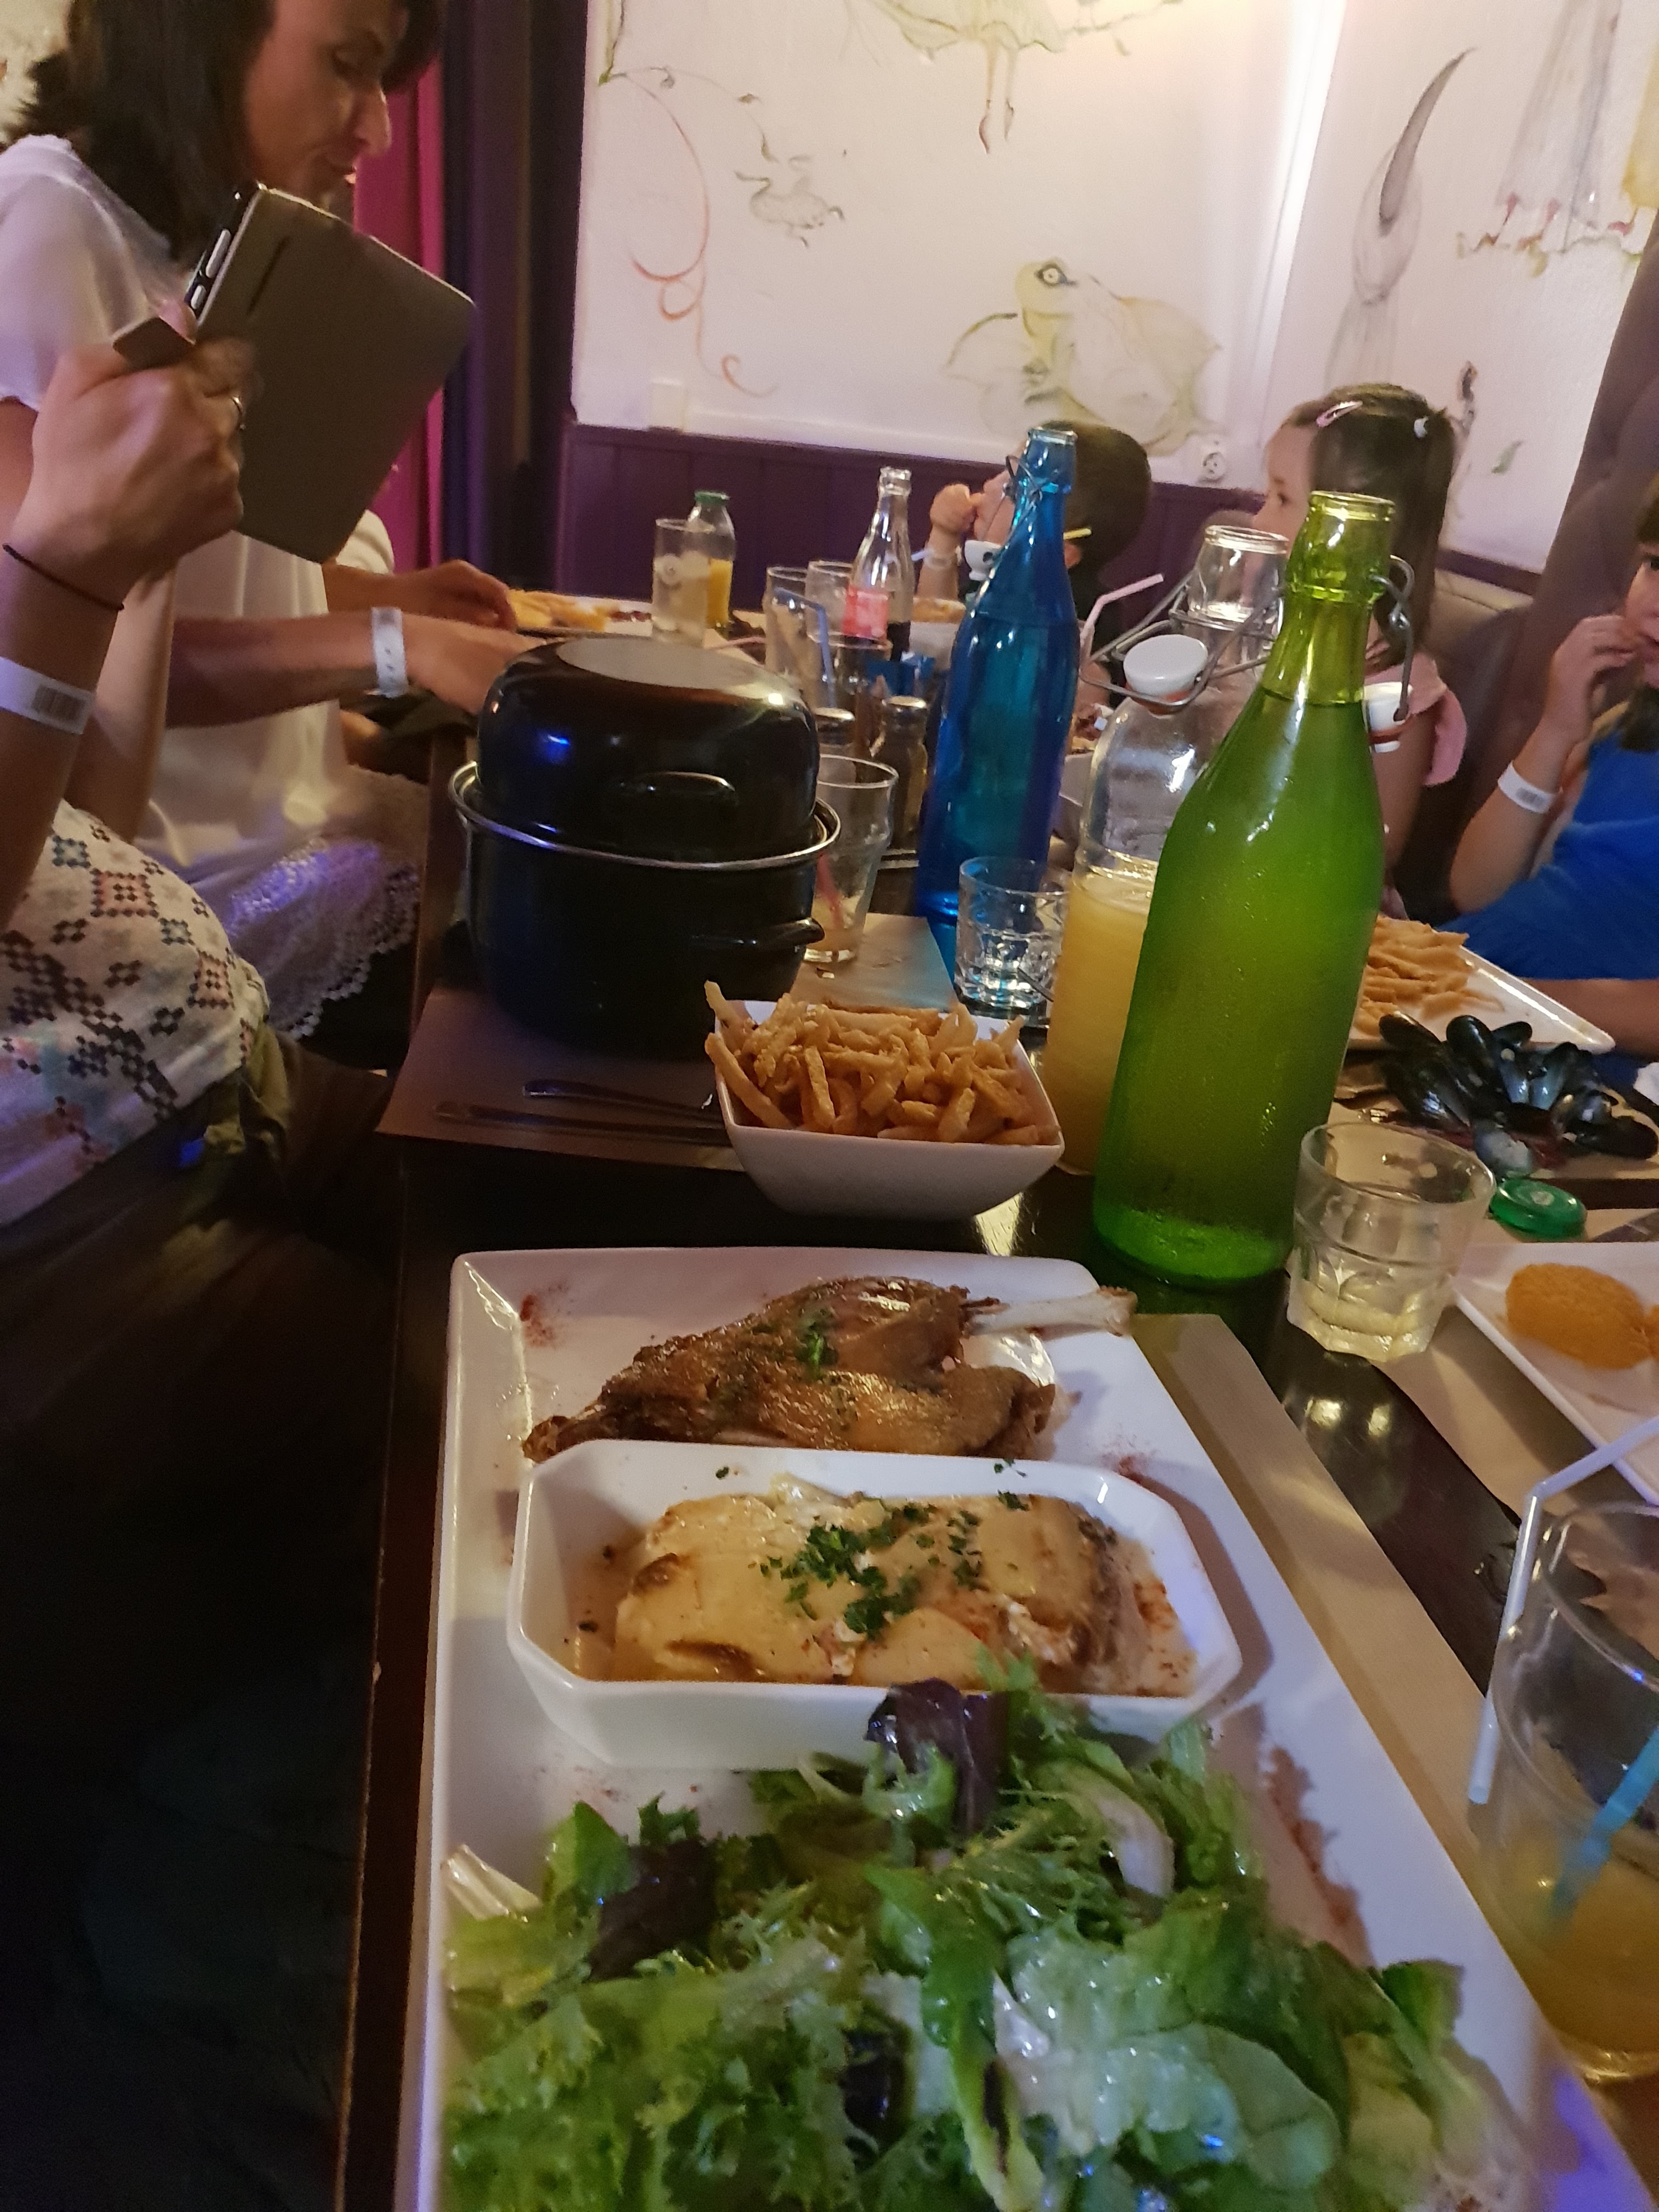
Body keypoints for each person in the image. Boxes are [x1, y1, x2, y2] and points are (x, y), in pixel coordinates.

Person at [0, 323, 400, 2205]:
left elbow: (78, 795)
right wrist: (58, 569)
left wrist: (127, 579)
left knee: (543, 1241)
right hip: (64, 1233)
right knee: (447, 1438)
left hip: (205, 1073)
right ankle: (221, 2039)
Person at [0, 0, 529, 1046]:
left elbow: (193, 570)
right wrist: (395, 644)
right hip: (190, 885)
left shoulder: (202, 240)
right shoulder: (46, 229)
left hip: (285, 822)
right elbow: (62, 640)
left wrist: (389, 598)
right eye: (347, 65)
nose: (376, 128)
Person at [1447, 483, 1659, 1065]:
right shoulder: (1618, 732)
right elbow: (1477, 888)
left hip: (1553, 1055)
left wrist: (1503, 1001)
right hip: (1469, 1002)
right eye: (1655, 565)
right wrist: (1557, 728)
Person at [1252, 383, 1460, 868]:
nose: (1260, 521)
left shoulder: (1397, 693)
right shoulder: (1269, 632)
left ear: (1358, 526)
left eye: (1282, 498)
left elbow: (1376, 852)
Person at [916, 420, 1152, 623]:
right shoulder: (993, 577)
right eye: (1004, 472)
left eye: (1012, 490)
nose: (989, 486)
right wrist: (944, 536)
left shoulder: (1083, 616)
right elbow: (934, 626)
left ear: (1060, 551)